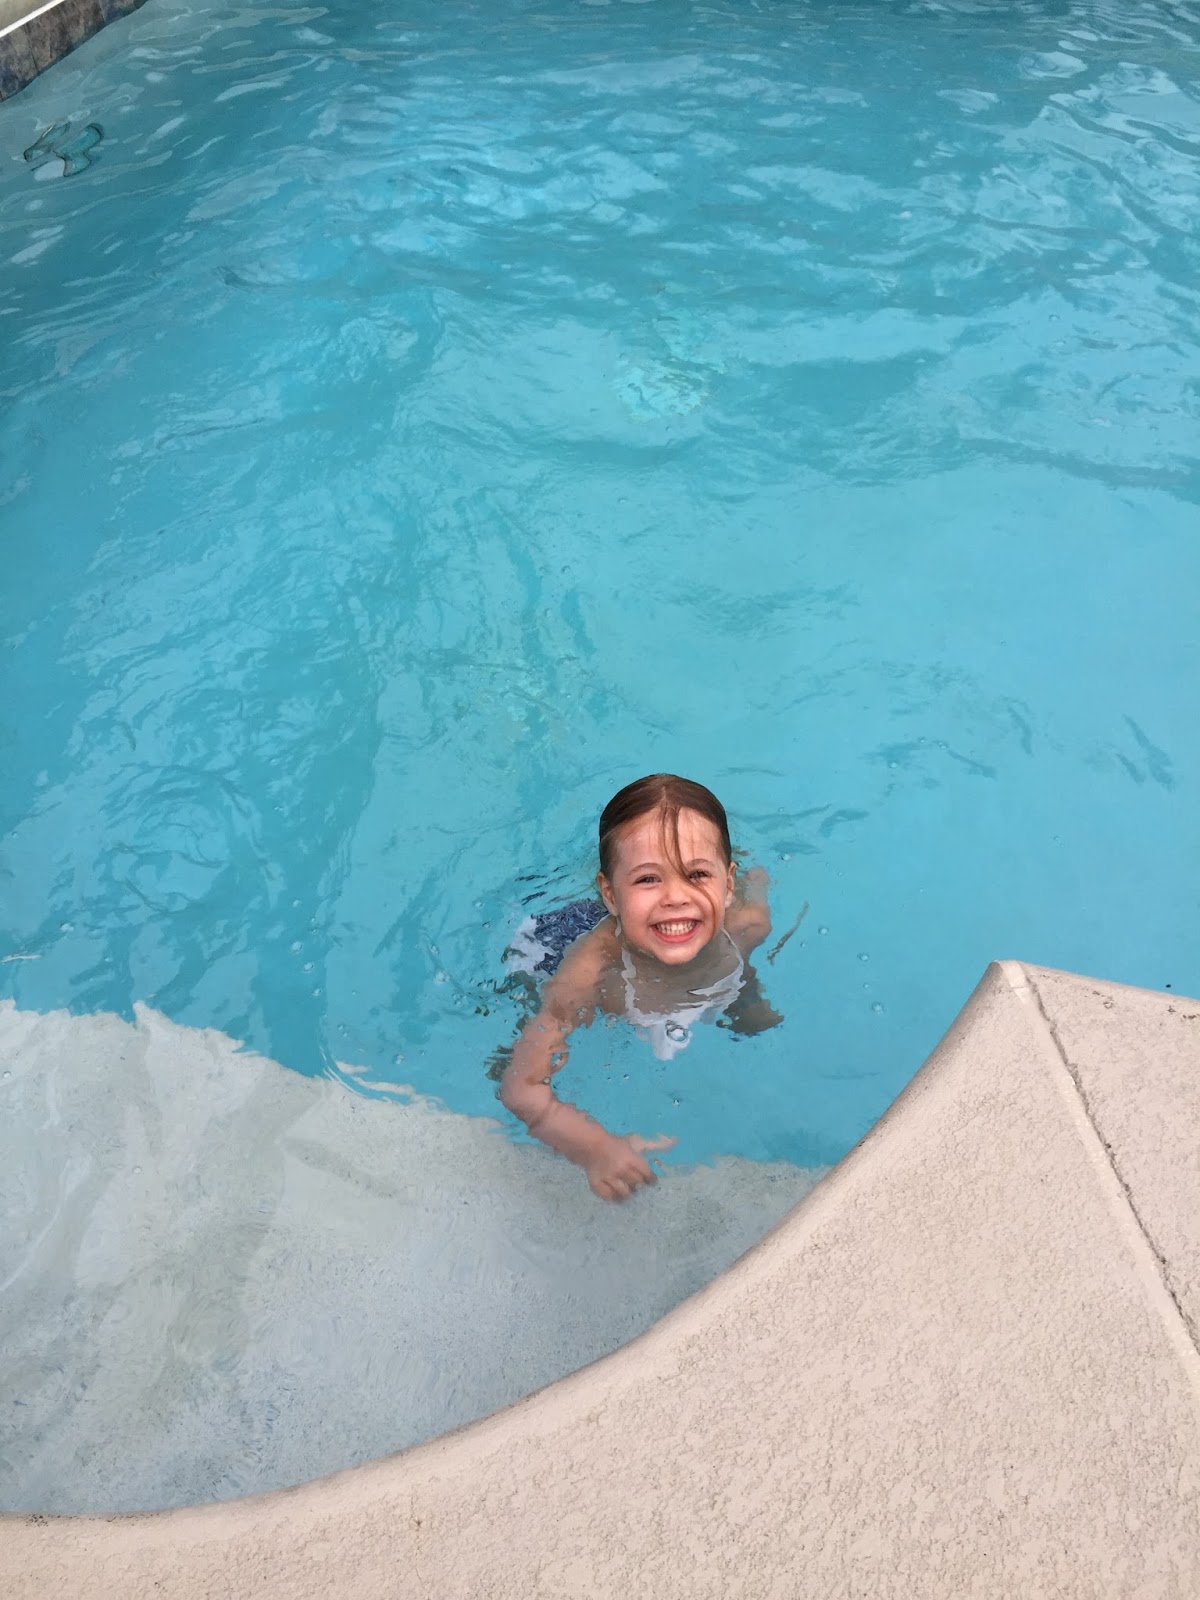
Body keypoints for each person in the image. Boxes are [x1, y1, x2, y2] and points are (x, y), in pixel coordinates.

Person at [498, 774, 781, 1202]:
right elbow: (520, 1088)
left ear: (728, 886)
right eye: (648, 879)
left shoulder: (750, 924)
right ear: (610, 895)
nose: (676, 897)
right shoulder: (588, 969)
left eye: (697, 874)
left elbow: (743, 964)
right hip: (559, 942)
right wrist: (594, 1148)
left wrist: (747, 1005)